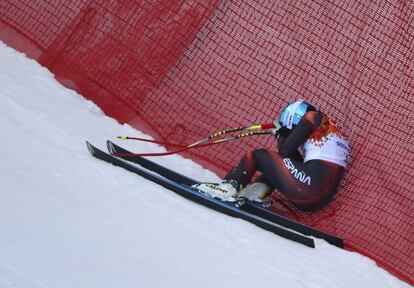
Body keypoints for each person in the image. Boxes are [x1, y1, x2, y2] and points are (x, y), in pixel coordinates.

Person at [193, 99, 350, 212]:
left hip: (308, 188)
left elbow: (286, 150)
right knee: (278, 165)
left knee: (258, 155)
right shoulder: (329, 130)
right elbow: (292, 161)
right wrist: (280, 135)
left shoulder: (313, 117)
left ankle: (228, 188)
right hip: (313, 200)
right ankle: (253, 193)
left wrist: (280, 134)